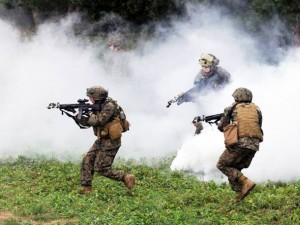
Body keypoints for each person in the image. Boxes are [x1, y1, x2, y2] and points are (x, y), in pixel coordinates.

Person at [76, 86, 135, 194]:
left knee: (101, 168)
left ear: (96, 98)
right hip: (101, 139)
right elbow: (89, 122)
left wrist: (89, 114)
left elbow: (99, 121)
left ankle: (125, 177)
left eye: (91, 97)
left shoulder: (109, 106)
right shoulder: (98, 106)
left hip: (111, 141)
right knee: (87, 160)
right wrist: (79, 117)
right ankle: (86, 188)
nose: (90, 100)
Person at [216, 87, 263, 200]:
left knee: (222, 165)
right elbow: (258, 125)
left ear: (237, 97)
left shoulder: (231, 107)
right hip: (254, 145)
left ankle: (246, 182)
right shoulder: (257, 109)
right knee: (235, 168)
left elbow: (222, 127)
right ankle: (239, 194)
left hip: (240, 143)